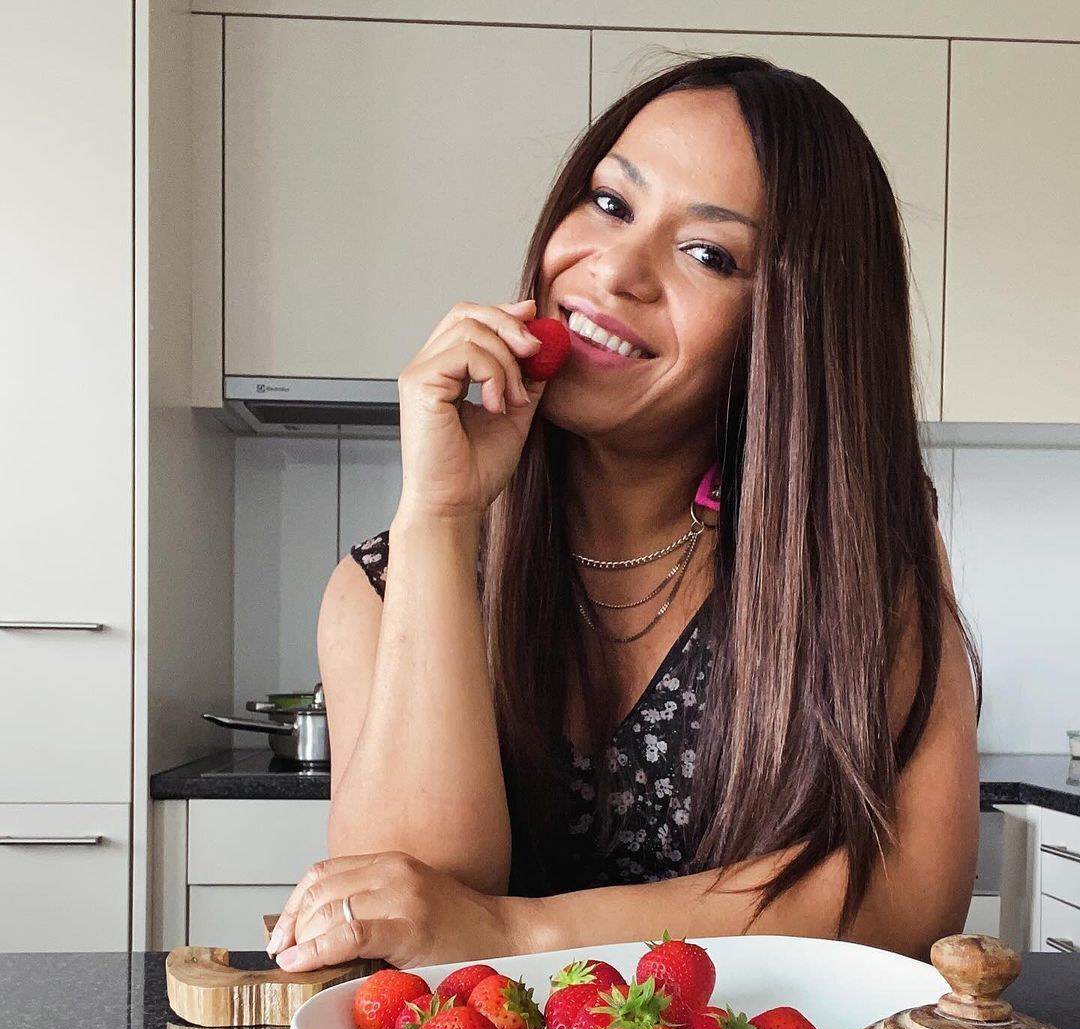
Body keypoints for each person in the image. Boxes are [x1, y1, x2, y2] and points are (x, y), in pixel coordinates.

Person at [265, 53, 982, 974]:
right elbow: (406, 916)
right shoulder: (390, 578)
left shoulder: (863, 571)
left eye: (709, 255)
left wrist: (516, 933)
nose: (615, 270)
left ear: (791, 333)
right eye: (610, 203)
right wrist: (440, 517)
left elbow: (904, 904)